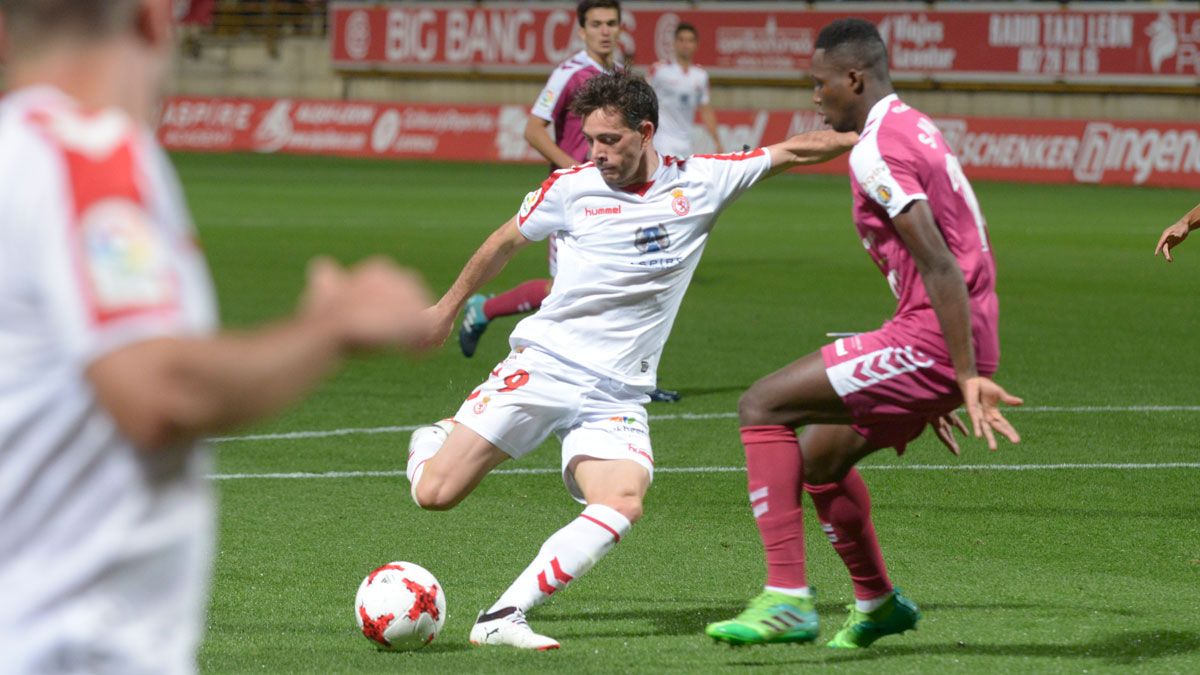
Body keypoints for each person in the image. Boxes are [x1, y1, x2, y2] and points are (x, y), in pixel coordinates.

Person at [0, 1, 431, 672]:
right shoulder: (84, 153)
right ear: (152, 17)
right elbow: (158, 388)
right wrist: (334, 326)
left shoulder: (17, 153)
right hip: (71, 644)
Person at [408, 69, 857, 650]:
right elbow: (502, 242)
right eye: (591, 140)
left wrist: (871, 134)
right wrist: (446, 309)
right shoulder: (569, 189)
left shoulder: (701, 182)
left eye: (610, 140)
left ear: (645, 133)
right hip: (546, 367)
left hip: (617, 393)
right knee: (435, 495)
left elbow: (795, 149)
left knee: (623, 500)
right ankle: (434, 435)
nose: (596, 153)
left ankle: (502, 617)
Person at [704, 18, 1023, 650]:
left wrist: (954, 373)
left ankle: (788, 598)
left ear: (854, 78)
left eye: (820, 84)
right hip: (947, 332)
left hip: (935, 335)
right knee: (822, 455)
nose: (815, 98)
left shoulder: (876, 148)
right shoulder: (915, 124)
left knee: (761, 405)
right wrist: (938, 379)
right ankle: (877, 603)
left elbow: (939, 262)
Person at [457, 2, 690, 401]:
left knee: (624, 280)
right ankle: (494, 323)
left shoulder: (618, 78)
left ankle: (633, 378)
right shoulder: (568, 74)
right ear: (581, 31)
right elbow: (533, 130)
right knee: (567, 291)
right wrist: (575, 170)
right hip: (578, 203)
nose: (605, 31)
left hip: (618, 198)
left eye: (611, 24)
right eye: (596, 24)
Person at [648, 22, 723, 158]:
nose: (685, 45)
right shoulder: (660, 70)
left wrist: (717, 141)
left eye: (689, 41)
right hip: (662, 140)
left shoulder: (700, 75)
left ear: (696, 45)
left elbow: (705, 110)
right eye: (681, 40)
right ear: (675, 43)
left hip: (686, 142)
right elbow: (643, 100)